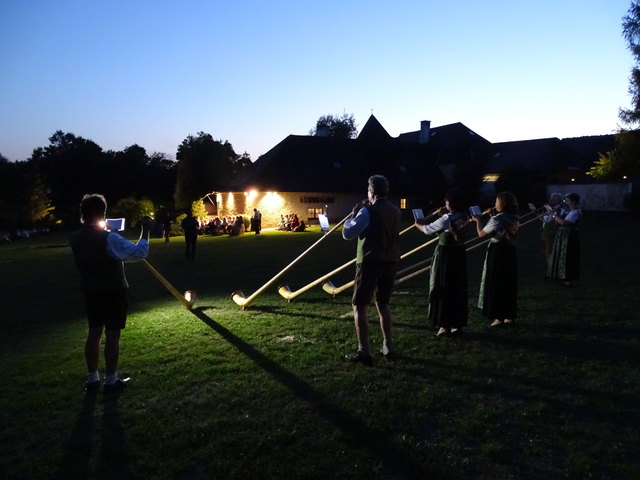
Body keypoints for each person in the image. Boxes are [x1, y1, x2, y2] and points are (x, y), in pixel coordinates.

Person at [69, 194, 152, 393]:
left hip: (91, 289)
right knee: (112, 335)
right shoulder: (109, 238)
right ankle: (111, 379)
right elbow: (138, 253)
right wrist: (145, 232)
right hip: (113, 289)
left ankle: (92, 378)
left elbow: (94, 245)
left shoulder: (75, 238)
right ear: (101, 213)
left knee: (94, 332)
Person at [342, 175, 401, 364]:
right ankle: (388, 345)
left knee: (359, 305)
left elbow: (348, 234)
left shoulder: (366, 212)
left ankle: (364, 350)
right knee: (383, 304)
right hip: (390, 260)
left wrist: (354, 214)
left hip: (370, 261)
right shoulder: (395, 210)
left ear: (372, 191)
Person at [415, 189, 469, 337]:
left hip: (445, 255)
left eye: (446, 201)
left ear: (450, 203)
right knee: (457, 289)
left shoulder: (447, 218)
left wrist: (418, 223)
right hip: (459, 254)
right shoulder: (464, 216)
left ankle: (443, 324)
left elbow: (426, 229)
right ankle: (457, 324)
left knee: (442, 286)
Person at [471, 191, 519, 328]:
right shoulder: (514, 216)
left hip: (498, 252)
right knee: (508, 283)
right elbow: (503, 229)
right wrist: (493, 216)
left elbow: (481, 233)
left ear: (502, 204)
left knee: (496, 282)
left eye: (497, 202)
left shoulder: (496, 219)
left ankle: (498, 316)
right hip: (510, 251)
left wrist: (478, 220)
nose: (495, 204)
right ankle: (509, 316)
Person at [547, 192, 582, 286]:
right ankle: (559, 275)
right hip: (563, 235)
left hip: (570, 236)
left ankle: (568, 279)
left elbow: (564, 223)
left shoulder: (575, 211)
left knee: (568, 256)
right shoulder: (568, 210)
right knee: (561, 255)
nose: (565, 202)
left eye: (567, 200)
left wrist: (553, 215)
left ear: (573, 201)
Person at [539, 192, 568, 269]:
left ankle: (552, 268)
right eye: (551, 199)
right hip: (546, 231)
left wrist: (551, 214)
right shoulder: (550, 208)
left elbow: (555, 220)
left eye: (554, 199)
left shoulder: (560, 209)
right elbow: (545, 219)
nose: (551, 200)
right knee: (546, 249)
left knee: (549, 251)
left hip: (552, 232)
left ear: (559, 200)